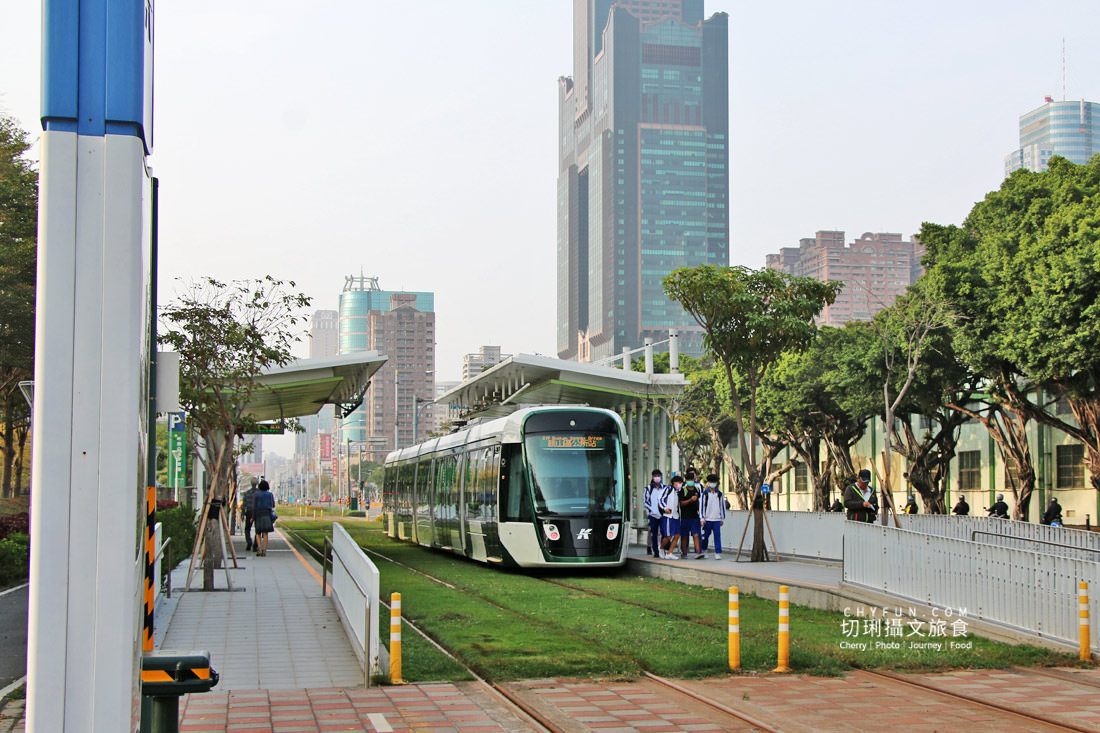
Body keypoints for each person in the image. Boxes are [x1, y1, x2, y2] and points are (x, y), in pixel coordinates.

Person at [699, 474, 726, 560]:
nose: (712, 484)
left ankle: (717, 552)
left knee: (717, 536)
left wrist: (722, 518)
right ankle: (704, 550)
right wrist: (702, 518)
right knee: (705, 536)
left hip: (717, 519)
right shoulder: (705, 494)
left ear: (717, 483)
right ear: (708, 483)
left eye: (714, 482)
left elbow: (722, 507)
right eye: (711, 482)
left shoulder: (720, 494)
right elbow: (702, 507)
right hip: (707, 519)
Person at [679, 471, 704, 559]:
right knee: (684, 535)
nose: (690, 481)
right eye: (688, 479)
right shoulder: (683, 490)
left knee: (696, 534)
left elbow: (700, 503)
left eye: (692, 479)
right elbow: (681, 503)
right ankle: (684, 552)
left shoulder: (697, 489)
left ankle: (698, 551)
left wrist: (701, 515)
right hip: (685, 517)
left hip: (695, 516)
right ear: (686, 480)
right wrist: (690, 500)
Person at [658, 476, 683, 559]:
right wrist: (665, 508)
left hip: (676, 516)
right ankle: (661, 548)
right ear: (674, 483)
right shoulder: (668, 489)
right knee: (668, 536)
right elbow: (660, 499)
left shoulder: (678, 491)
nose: (680, 484)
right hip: (668, 516)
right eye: (678, 482)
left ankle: (669, 553)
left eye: (681, 483)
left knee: (677, 535)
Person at [643, 469, 664, 557]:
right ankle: (656, 551)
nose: (657, 478)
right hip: (653, 515)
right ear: (653, 477)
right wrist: (651, 509)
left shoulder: (664, 488)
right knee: (654, 534)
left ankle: (663, 550)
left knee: (664, 533)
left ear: (661, 477)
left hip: (662, 515)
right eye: (655, 476)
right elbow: (645, 501)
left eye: (658, 476)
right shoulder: (649, 488)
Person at [252, 478, 276, 556]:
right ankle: (264, 550)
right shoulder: (270, 494)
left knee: (258, 533)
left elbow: (254, 506)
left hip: (258, 514)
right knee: (265, 533)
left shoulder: (256, 494)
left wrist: (252, 517)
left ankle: (259, 549)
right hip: (267, 514)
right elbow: (273, 505)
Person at [240, 477, 258, 551]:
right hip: (258, 513)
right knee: (258, 530)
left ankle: (249, 542)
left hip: (249, 512)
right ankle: (255, 545)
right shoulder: (259, 493)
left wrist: (242, 514)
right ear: (257, 484)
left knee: (247, 529)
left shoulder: (246, 493)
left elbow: (244, 505)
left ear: (251, 484)